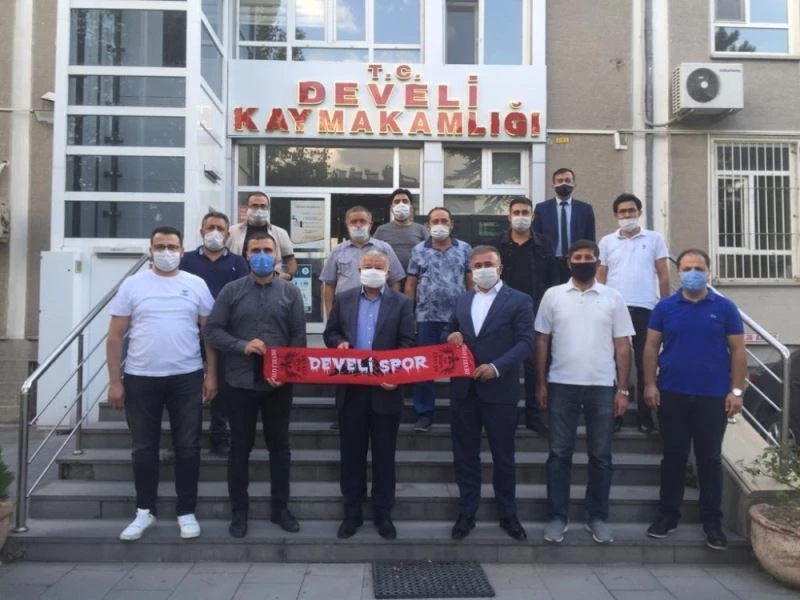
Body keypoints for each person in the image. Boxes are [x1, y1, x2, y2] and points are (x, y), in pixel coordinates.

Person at [107, 226, 217, 542]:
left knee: (188, 446)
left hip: (187, 377)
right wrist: (115, 381)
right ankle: (145, 510)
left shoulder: (195, 284)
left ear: (182, 251)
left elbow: (209, 334)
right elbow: (114, 336)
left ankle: (186, 511)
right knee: (143, 447)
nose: (166, 252)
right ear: (150, 250)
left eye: (171, 246)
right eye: (160, 246)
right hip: (141, 378)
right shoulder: (133, 285)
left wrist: (211, 374)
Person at [204, 231, 307, 538]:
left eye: (267, 250)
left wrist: (287, 372)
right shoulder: (232, 291)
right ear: (246, 255)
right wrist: (242, 345)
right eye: (256, 250)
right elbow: (212, 331)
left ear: (276, 255)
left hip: (278, 385)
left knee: (280, 448)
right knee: (239, 449)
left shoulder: (291, 293)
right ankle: (239, 511)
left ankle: (280, 508)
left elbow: (298, 338)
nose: (262, 255)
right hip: (240, 383)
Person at [643, 248, 745, 551]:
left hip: (713, 397)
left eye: (698, 268)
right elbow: (650, 348)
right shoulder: (664, 307)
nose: (692, 273)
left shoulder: (725, 308)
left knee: (709, 460)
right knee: (673, 457)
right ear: (678, 273)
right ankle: (667, 516)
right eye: (686, 268)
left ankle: (712, 523)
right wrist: (649, 384)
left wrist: (736, 391)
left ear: (708, 271)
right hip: (672, 394)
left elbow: (738, 351)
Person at [535, 240, 634, 545]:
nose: (582, 262)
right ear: (568, 262)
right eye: (577, 257)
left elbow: (623, 346)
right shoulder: (553, 296)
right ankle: (558, 516)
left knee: (601, 456)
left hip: (602, 386)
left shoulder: (613, 297)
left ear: (597, 262)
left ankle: (597, 517)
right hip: (561, 383)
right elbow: (541, 341)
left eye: (588, 257)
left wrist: (623, 389)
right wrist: (540, 383)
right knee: (559, 454)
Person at [323, 249, 416, 540]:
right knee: (351, 456)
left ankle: (383, 513)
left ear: (387, 272)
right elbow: (330, 333)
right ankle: (352, 513)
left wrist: (395, 374)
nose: (373, 270)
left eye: (378, 267)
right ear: (359, 270)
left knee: (384, 456)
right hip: (352, 391)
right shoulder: (344, 299)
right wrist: (338, 343)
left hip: (386, 391)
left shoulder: (401, 303)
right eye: (368, 266)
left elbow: (408, 342)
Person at [445, 245, 534, 542]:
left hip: (500, 390)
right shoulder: (462, 300)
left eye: (488, 264)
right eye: (477, 265)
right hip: (464, 391)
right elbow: (450, 333)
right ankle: (466, 512)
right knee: (465, 456)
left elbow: (525, 343)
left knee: (503, 457)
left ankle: (508, 514)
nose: (483, 269)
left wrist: (496, 368)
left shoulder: (519, 300)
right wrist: (451, 337)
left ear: (500, 268)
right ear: (470, 270)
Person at [597, 193, 670, 434]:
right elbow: (601, 274)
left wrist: (666, 306)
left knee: (644, 361)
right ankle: (615, 414)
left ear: (639, 212)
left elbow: (663, 273)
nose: (627, 215)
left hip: (645, 306)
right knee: (614, 360)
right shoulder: (607, 242)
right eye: (622, 211)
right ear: (615, 215)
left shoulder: (655, 238)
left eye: (631, 210)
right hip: (615, 307)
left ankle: (645, 417)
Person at [180, 211, 249, 456]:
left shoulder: (238, 262)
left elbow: (242, 295)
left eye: (220, 228)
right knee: (187, 388)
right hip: (188, 331)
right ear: (201, 231)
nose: (215, 233)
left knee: (219, 385)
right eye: (210, 228)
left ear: (228, 234)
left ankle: (219, 436)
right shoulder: (186, 260)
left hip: (223, 333)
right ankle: (184, 439)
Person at [491, 196, 558, 434]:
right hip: (503, 313)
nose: (521, 217)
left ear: (532, 216)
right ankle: (504, 415)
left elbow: (552, 278)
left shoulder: (544, 244)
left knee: (535, 367)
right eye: (517, 212)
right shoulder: (497, 244)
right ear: (509, 217)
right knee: (504, 365)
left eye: (525, 212)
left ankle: (533, 415)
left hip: (536, 312)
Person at [405, 207, 472, 432]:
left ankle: (461, 413)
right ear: (428, 226)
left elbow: (470, 280)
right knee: (425, 367)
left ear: (452, 224)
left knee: (458, 367)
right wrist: (409, 314)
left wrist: (471, 310)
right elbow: (411, 283)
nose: (440, 225)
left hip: (456, 319)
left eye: (444, 220)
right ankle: (424, 414)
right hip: (426, 317)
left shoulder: (464, 249)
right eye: (435, 221)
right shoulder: (419, 250)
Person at [320, 205, 405, 318]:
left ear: (370, 224)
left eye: (362, 221)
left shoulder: (385, 249)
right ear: (347, 224)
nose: (358, 225)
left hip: (379, 309)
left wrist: (393, 311)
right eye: (353, 222)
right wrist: (330, 315)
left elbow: (395, 281)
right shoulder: (337, 251)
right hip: (345, 309)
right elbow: (329, 285)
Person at [533, 168, 596, 282]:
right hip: (550, 262)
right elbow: (536, 237)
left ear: (574, 184)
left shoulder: (585, 209)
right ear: (553, 185)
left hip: (576, 262)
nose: (564, 184)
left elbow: (590, 239)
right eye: (560, 180)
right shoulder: (541, 209)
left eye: (567, 180)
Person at [227, 192, 297, 280]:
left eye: (263, 206)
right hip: (239, 282)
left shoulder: (280, 233)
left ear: (268, 209)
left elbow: (290, 259)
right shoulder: (232, 231)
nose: (259, 210)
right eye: (255, 206)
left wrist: (289, 275)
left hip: (271, 282)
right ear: (247, 208)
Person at [373, 188, 429, 284]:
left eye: (405, 201)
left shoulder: (421, 229)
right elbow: (373, 254)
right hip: (390, 282)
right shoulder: (381, 230)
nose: (401, 204)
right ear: (391, 207)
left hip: (416, 281)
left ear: (411, 206)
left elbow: (429, 254)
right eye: (397, 202)